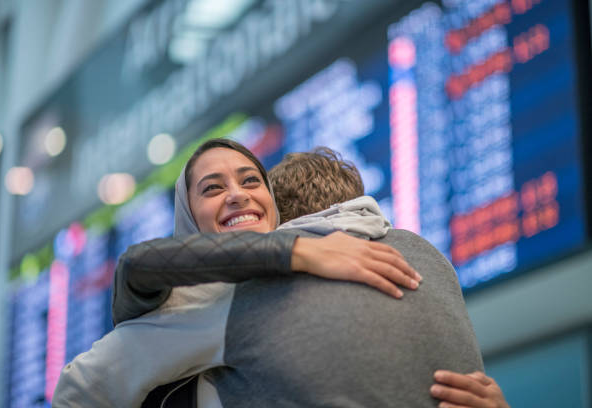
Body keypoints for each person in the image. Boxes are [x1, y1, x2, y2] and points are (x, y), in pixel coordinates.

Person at [54, 140, 508, 407]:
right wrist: (298, 253)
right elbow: (139, 266)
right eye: (213, 188)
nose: (237, 196)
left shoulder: (238, 297)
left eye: (251, 181)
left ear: (278, 210)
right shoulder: (426, 253)